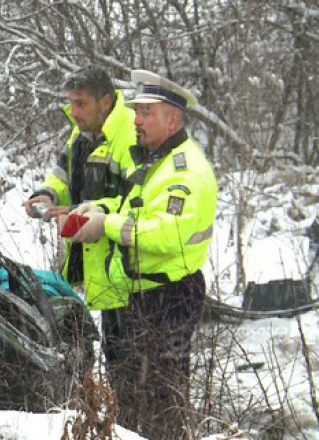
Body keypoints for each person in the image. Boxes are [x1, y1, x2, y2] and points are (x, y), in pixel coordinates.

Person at [69, 70, 218, 439]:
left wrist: (106, 225)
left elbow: (168, 234)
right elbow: (133, 207)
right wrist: (98, 207)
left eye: (146, 113)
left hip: (168, 296)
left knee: (161, 398)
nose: (135, 119)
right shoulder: (154, 159)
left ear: (173, 119)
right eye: (135, 111)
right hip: (138, 294)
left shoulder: (184, 170)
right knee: (130, 393)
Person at [23, 65, 136, 382]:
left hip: (125, 265)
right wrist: (45, 194)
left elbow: (134, 201)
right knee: (110, 351)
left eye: (81, 104)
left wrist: (75, 211)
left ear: (106, 101)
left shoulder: (129, 136)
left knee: (127, 360)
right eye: (70, 103)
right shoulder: (81, 132)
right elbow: (62, 174)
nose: (73, 111)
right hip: (94, 258)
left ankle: (131, 425)